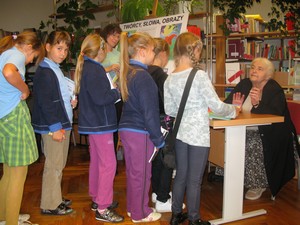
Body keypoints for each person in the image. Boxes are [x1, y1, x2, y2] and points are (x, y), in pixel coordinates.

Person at [164, 32, 240, 225]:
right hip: (198, 135)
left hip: (180, 133)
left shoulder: (169, 79)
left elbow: (169, 110)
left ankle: (175, 215)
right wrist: (234, 110)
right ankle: (194, 218)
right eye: (199, 51)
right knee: (195, 180)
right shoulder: (199, 76)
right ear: (194, 50)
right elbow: (216, 106)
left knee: (181, 175)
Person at [224, 57, 300, 200]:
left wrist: (258, 104)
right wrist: (233, 107)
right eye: (253, 67)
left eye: (260, 69)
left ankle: (257, 184)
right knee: (227, 138)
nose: (254, 70)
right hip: (244, 127)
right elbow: (228, 104)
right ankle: (234, 178)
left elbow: (275, 114)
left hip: (273, 133)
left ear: (268, 74)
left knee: (251, 143)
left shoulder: (274, 88)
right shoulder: (244, 84)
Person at [74, 33, 123, 223]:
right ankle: (103, 208)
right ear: (99, 50)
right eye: (104, 48)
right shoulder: (95, 69)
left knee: (98, 162)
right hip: (100, 124)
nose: (106, 51)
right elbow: (101, 98)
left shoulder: (88, 67)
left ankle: (97, 199)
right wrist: (116, 92)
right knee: (109, 164)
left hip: (93, 123)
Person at [118, 32, 165, 223]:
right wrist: (158, 139)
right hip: (140, 132)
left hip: (128, 130)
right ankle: (140, 213)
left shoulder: (129, 72)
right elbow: (150, 112)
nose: (154, 54)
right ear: (142, 51)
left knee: (133, 173)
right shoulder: (143, 76)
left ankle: (133, 208)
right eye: (153, 50)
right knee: (143, 174)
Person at [0, 31, 44, 225]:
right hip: (14, 117)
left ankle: (4, 216)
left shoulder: (6, 53)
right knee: (18, 174)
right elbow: (9, 72)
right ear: (28, 48)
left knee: (9, 172)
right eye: (33, 57)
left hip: (4, 118)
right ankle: (11, 222)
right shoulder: (16, 55)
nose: (31, 61)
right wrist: (25, 89)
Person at [32, 31, 77, 215]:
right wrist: (56, 128)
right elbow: (46, 102)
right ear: (48, 47)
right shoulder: (45, 71)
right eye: (59, 48)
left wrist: (70, 102)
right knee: (54, 165)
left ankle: (55, 196)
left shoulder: (54, 68)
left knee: (59, 164)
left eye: (65, 50)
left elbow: (58, 95)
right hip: (54, 126)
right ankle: (50, 204)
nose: (63, 53)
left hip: (61, 123)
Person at [148, 37, 178, 213]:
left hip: (150, 121)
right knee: (167, 158)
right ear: (163, 53)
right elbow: (168, 103)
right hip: (164, 120)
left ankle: (157, 192)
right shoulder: (161, 75)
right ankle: (163, 197)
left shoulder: (144, 72)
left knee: (155, 158)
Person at [100, 23, 123, 172]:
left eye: (118, 36)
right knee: (104, 131)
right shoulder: (99, 52)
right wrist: (109, 68)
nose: (116, 38)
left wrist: (121, 76)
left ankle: (112, 163)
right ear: (106, 34)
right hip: (102, 96)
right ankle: (103, 163)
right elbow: (91, 70)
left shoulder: (118, 54)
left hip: (116, 94)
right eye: (113, 35)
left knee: (114, 130)